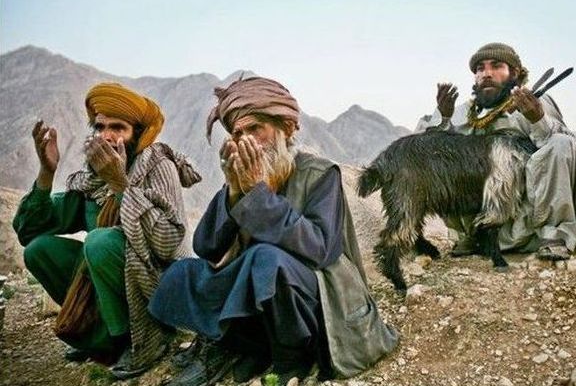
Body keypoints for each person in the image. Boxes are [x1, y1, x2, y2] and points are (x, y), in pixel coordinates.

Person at [148, 72, 398, 386]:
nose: (247, 141)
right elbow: (206, 246)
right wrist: (235, 192)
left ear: (286, 128)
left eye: (256, 129)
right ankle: (237, 347)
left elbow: (321, 249)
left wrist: (259, 195)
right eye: (238, 134)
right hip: (260, 293)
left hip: (317, 298)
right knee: (183, 273)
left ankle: (291, 361)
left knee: (266, 259)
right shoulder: (243, 175)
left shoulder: (320, 174)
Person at [13, 82, 200, 379]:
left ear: (136, 135)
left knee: (99, 242)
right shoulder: (93, 176)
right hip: (112, 274)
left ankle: (138, 341)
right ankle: (98, 335)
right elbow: (30, 229)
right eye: (100, 127)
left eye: (118, 128)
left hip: (156, 279)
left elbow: (167, 242)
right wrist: (47, 172)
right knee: (39, 250)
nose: (107, 136)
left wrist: (120, 186)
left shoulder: (158, 167)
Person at [418, 42, 576, 260]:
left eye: (496, 66)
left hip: (528, 213)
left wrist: (538, 119)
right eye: (480, 69)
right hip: (485, 216)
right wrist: (443, 118)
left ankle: (555, 237)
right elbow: (425, 148)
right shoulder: (464, 112)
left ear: (513, 72)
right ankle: (469, 235)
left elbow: (564, 147)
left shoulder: (536, 101)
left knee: (561, 143)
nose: (486, 73)